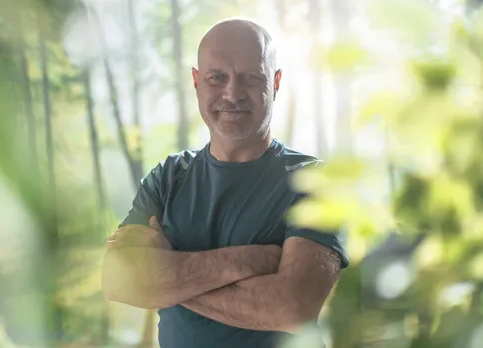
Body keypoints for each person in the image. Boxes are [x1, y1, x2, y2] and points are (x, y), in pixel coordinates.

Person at [101, 17, 349, 348]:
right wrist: (249, 261)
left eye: (250, 78)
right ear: (196, 81)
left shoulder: (315, 183)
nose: (232, 93)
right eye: (217, 77)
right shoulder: (167, 178)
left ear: (275, 83)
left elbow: (293, 308)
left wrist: (163, 276)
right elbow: (118, 280)